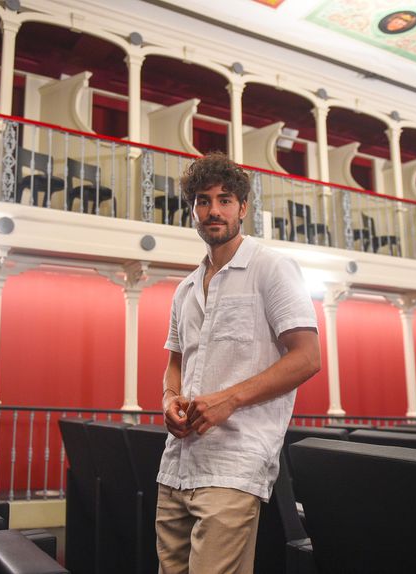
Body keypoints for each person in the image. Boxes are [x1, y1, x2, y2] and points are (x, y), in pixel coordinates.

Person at [155, 152, 321, 574]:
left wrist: (229, 400)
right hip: (176, 463)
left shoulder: (272, 268)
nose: (214, 210)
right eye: (203, 200)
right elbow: (175, 361)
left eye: (225, 200)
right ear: (192, 208)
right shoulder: (185, 287)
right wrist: (169, 398)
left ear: (243, 208)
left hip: (234, 462)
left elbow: (307, 358)